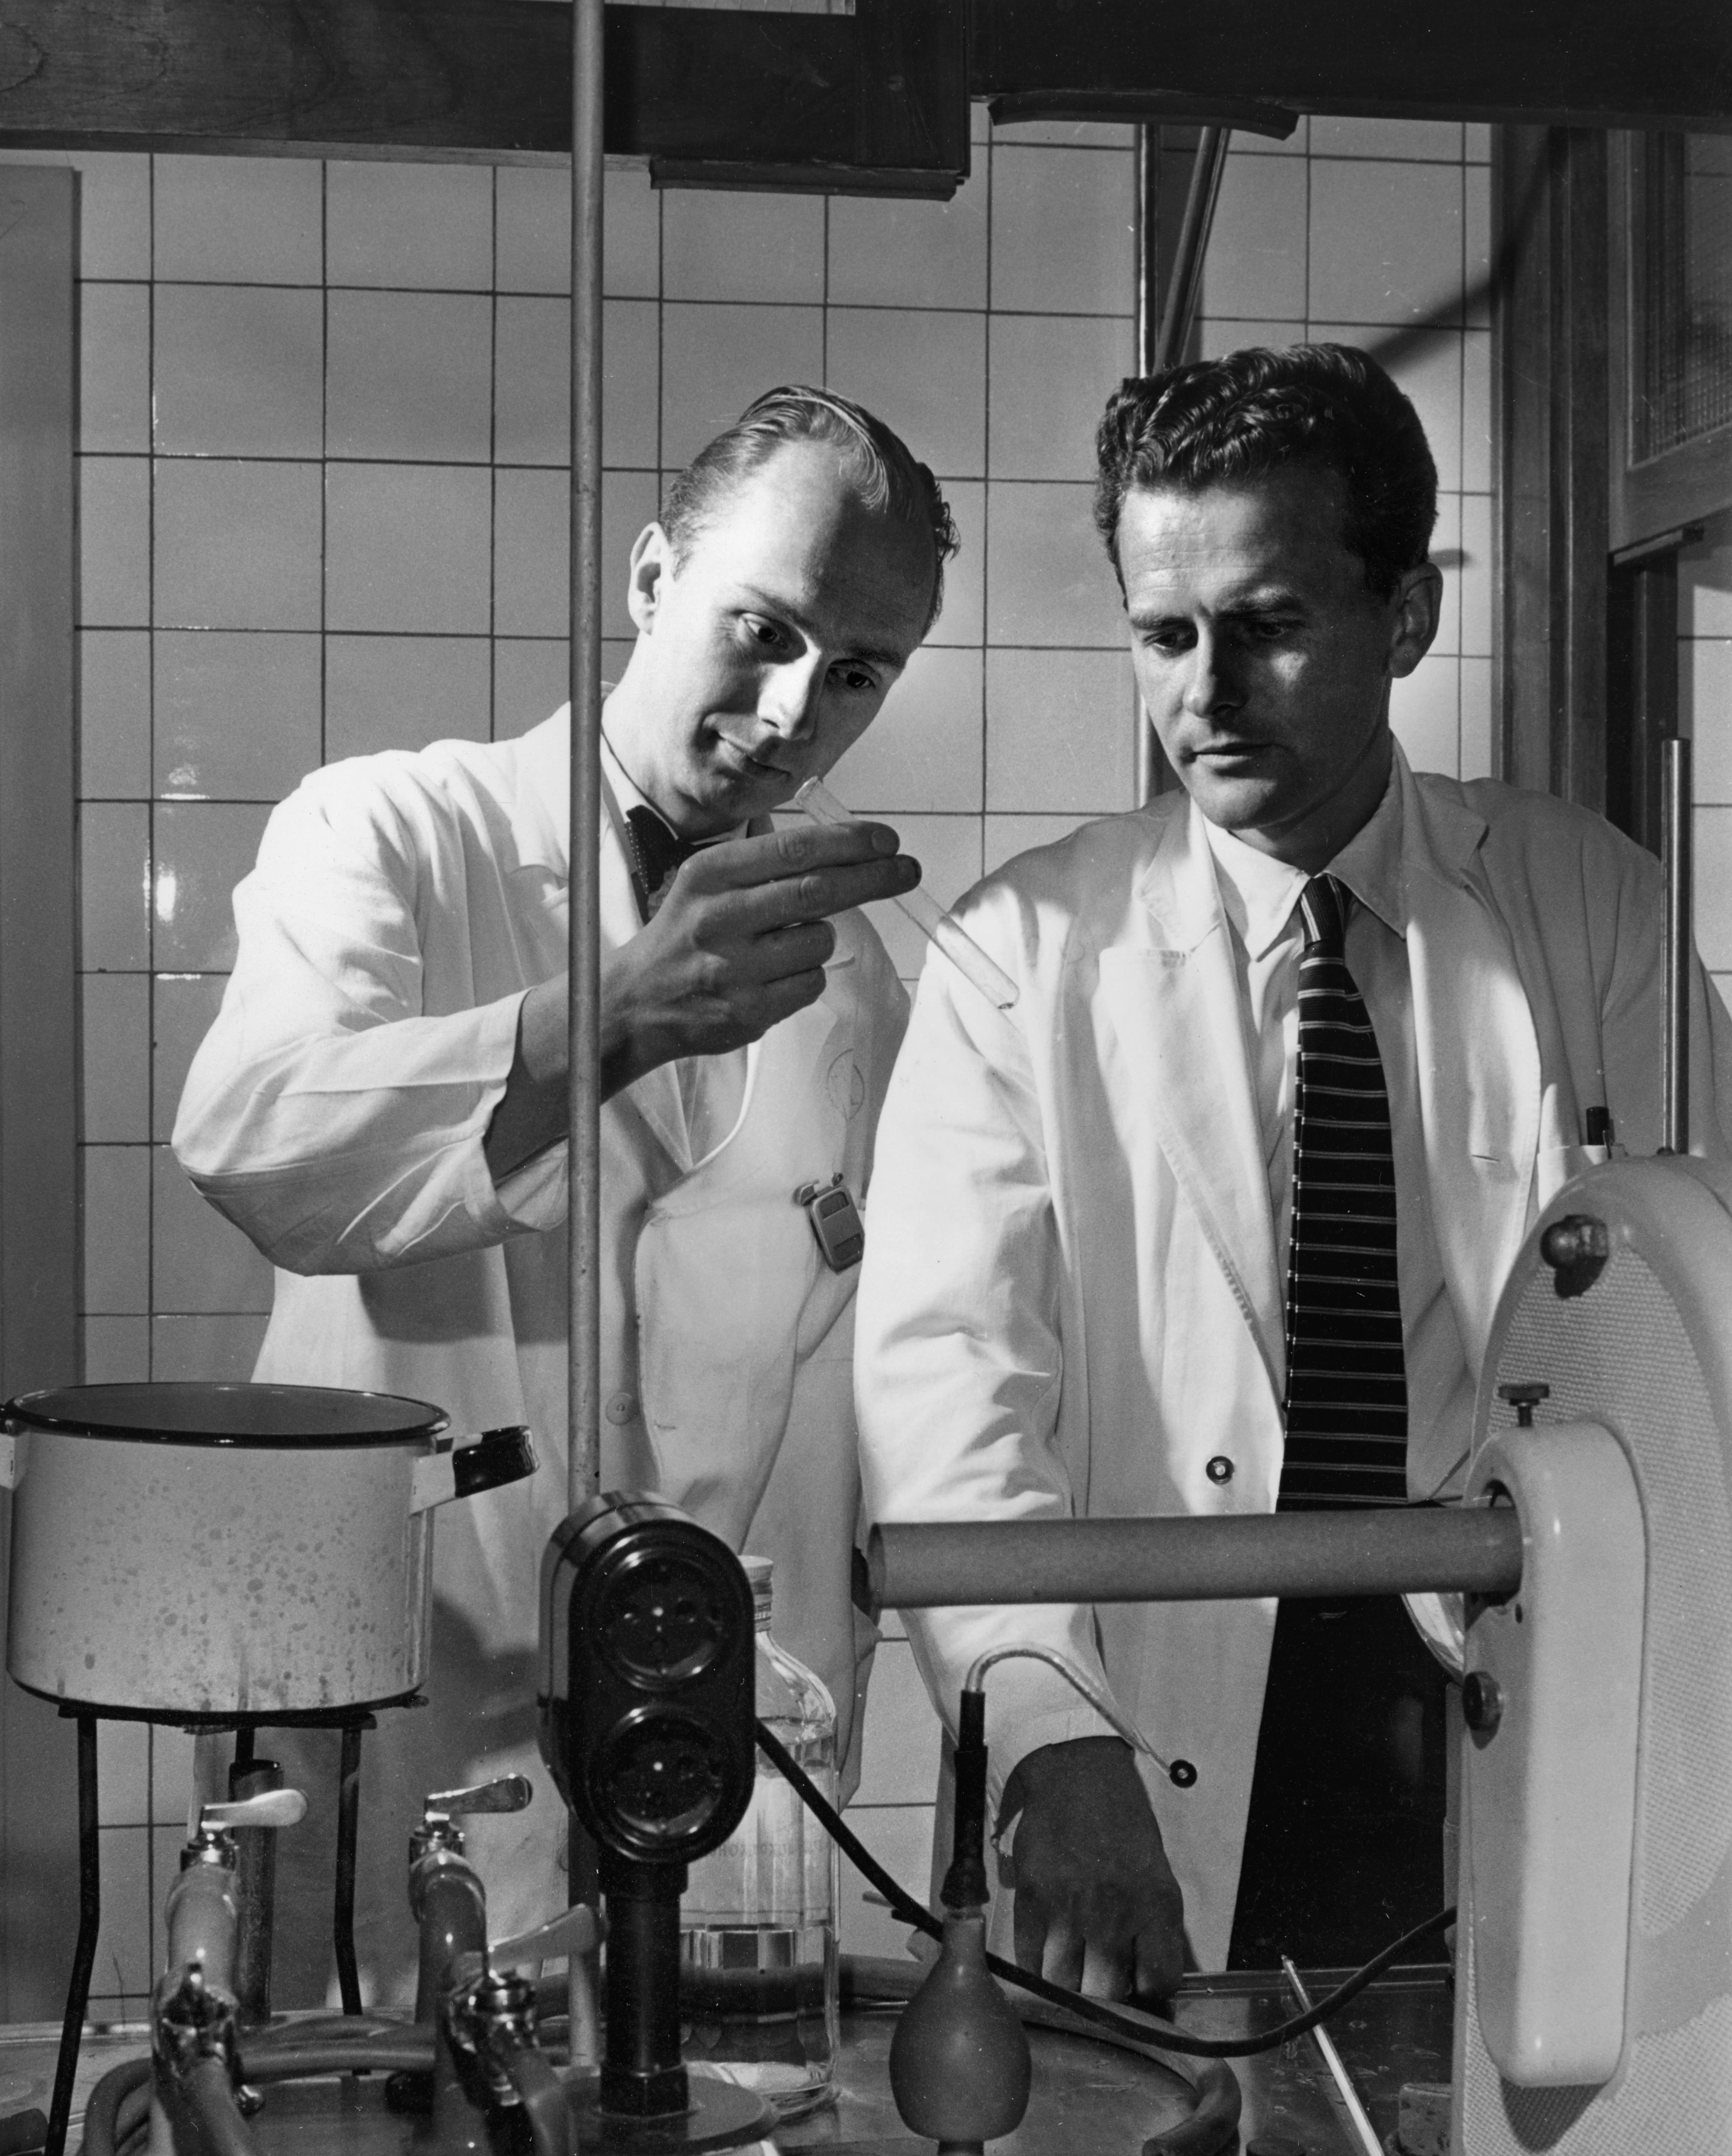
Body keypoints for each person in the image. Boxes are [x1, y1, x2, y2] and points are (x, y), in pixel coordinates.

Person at [853, 343, 1732, 2000]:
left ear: (1406, 620)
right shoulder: (1021, 956)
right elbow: (948, 1391)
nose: (1205, 693)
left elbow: (1696, 1344)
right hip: (1155, 1710)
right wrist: (1047, 1731)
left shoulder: (1584, 907)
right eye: (1163, 637)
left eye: (1267, 627)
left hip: (1507, 1683)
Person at [174, 384, 955, 2001]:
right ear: (652, 579)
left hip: (707, 1771)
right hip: (415, 1724)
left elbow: (852, 1394)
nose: (800, 705)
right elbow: (253, 1137)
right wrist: (596, 1022)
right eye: (766, 627)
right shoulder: (393, 833)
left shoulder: (855, 974)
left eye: (860, 671)